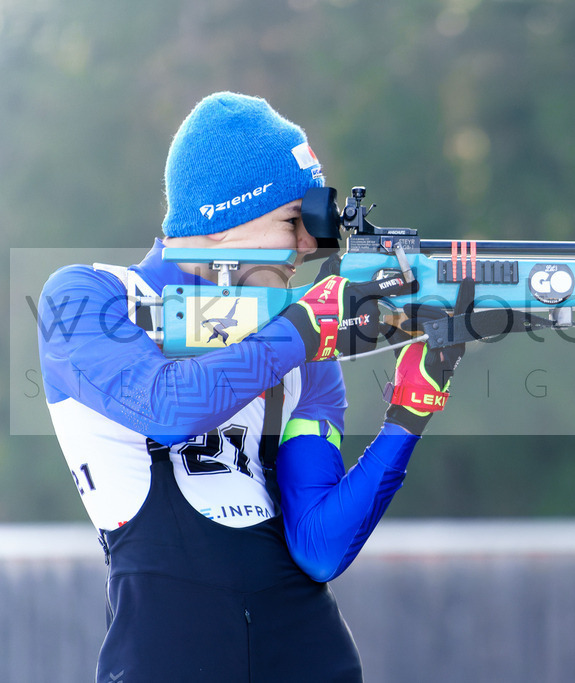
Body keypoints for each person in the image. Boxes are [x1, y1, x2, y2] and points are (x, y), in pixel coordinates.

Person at [36, 92, 461, 682]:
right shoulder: (90, 297)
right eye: (295, 220)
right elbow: (168, 406)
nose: (311, 247)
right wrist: (306, 329)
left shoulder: (298, 339)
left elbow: (318, 547)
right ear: (221, 220)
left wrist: (409, 414)